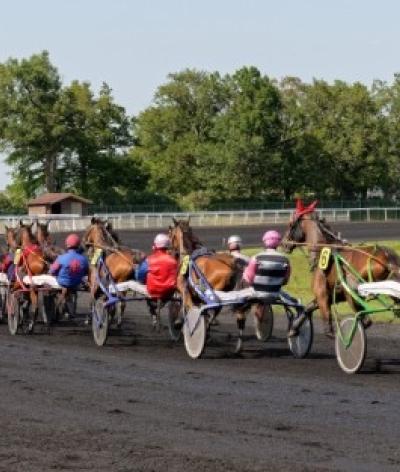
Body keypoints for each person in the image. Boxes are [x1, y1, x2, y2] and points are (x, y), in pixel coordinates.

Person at [136, 233, 178, 300]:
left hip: (152, 292)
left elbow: (140, 276)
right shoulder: (174, 261)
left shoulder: (148, 260)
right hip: (169, 291)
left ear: (155, 245)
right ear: (167, 246)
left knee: (129, 284)